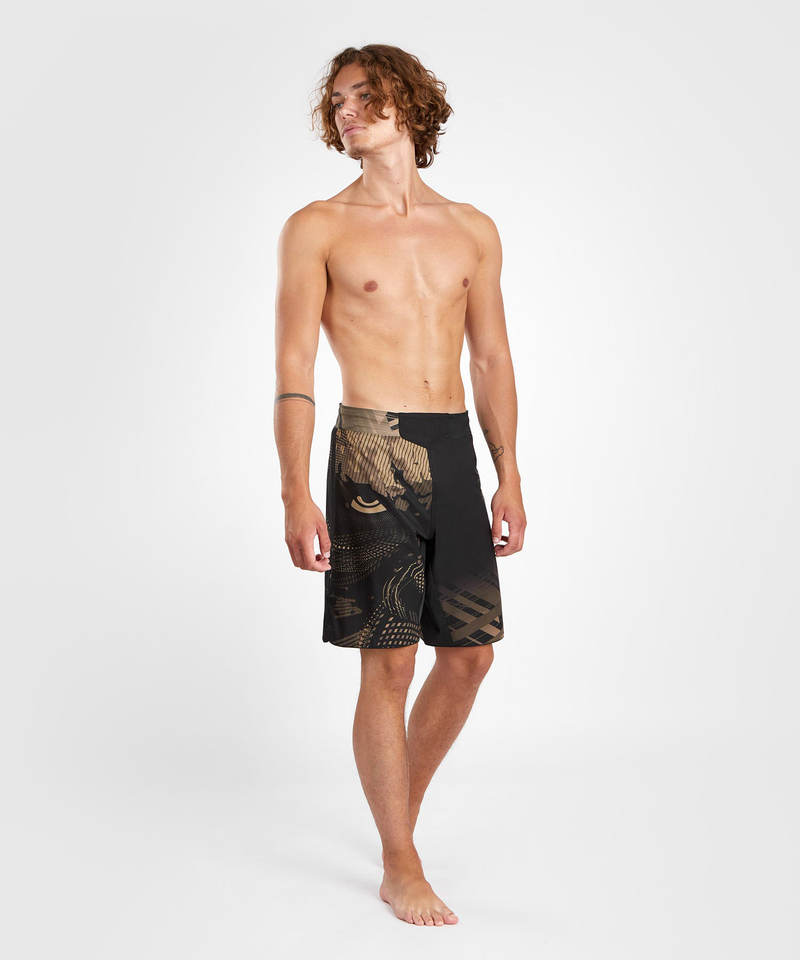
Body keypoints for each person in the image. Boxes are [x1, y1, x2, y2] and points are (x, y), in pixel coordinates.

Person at [273, 44, 526, 926]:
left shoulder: (472, 228)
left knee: (470, 657)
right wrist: (294, 492)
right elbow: (294, 367)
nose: (346, 110)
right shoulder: (318, 227)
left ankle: (395, 823)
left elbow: (491, 359)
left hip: (453, 448)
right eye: (337, 101)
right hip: (370, 447)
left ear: (408, 103)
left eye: (364, 95)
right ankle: (399, 859)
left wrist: (510, 474)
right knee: (389, 662)